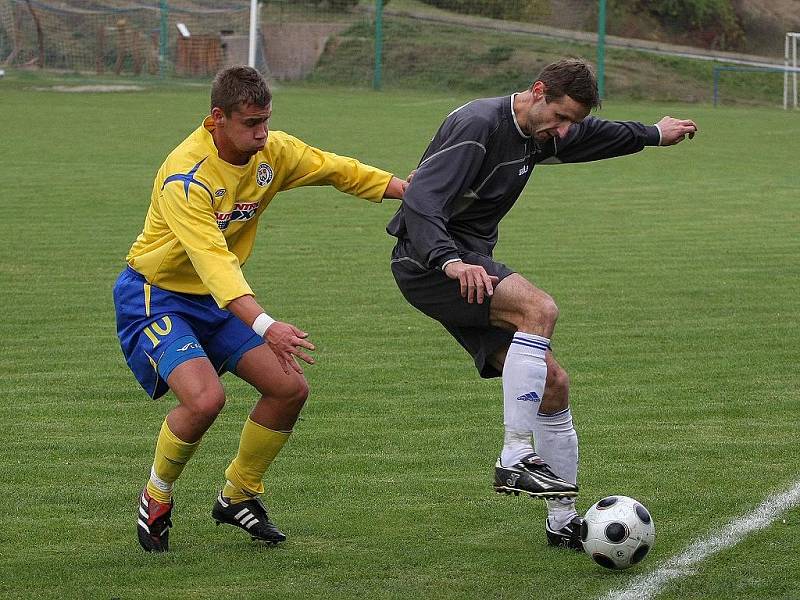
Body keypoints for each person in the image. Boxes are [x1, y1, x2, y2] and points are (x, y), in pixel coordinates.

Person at [386, 58, 697, 550]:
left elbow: (596, 136)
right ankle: (513, 457)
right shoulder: (479, 125)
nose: (565, 130)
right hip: (429, 262)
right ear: (537, 92)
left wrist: (654, 134)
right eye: (560, 117)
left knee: (553, 383)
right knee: (540, 309)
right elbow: (421, 199)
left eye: (572, 120)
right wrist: (448, 261)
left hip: (467, 262)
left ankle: (562, 523)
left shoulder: (541, 131)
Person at [114, 65, 407, 553]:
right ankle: (157, 494)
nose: (261, 133)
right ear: (216, 119)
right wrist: (266, 324)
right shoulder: (185, 177)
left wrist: (403, 189)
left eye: (265, 120)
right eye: (250, 123)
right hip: (155, 295)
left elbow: (335, 168)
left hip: (214, 299)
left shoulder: (270, 153)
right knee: (205, 401)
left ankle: (238, 493)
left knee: (288, 388)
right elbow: (214, 262)